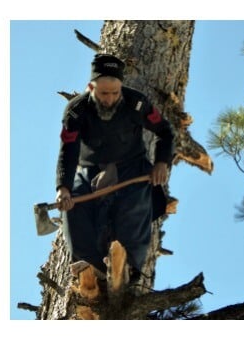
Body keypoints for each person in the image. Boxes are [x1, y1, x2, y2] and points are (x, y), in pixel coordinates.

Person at [54, 54, 174, 285]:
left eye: (114, 93)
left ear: (121, 87)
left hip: (132, 167)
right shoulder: (75, 111)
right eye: (103, 93)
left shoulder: (137, 103)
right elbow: (68, 150)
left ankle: (129, 268)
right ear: (91, 87)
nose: (109, 99)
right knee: (74, 206)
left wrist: (161, 162)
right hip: (87, 168)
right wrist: (63, 188)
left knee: (136, 203)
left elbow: (165, 131)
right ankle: (89, 266)